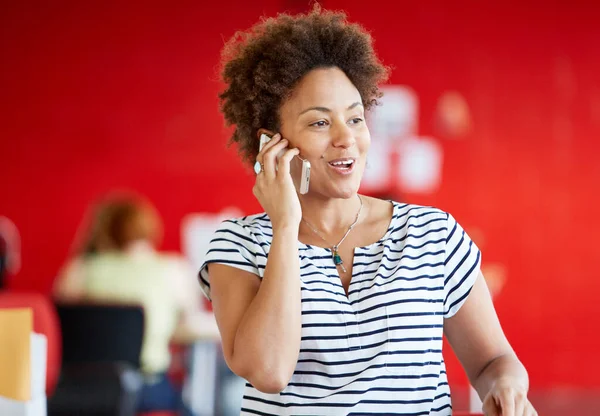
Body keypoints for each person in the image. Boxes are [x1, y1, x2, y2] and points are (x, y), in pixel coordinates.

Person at [198, 5, 536, 415]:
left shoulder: (434, 235)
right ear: (272, 144)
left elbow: (493, 362)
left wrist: (504, 386)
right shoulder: (239, 244)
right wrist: (286, 226)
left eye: (356, 119)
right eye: (320, 123)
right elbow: (268, 371)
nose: (347, 139)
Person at [53, 192, 215, 415]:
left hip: (81, 391)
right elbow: (191, 325)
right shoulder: (172, 271)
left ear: (103, 228)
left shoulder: (78, 271)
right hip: (145, 389)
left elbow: (63, 327)